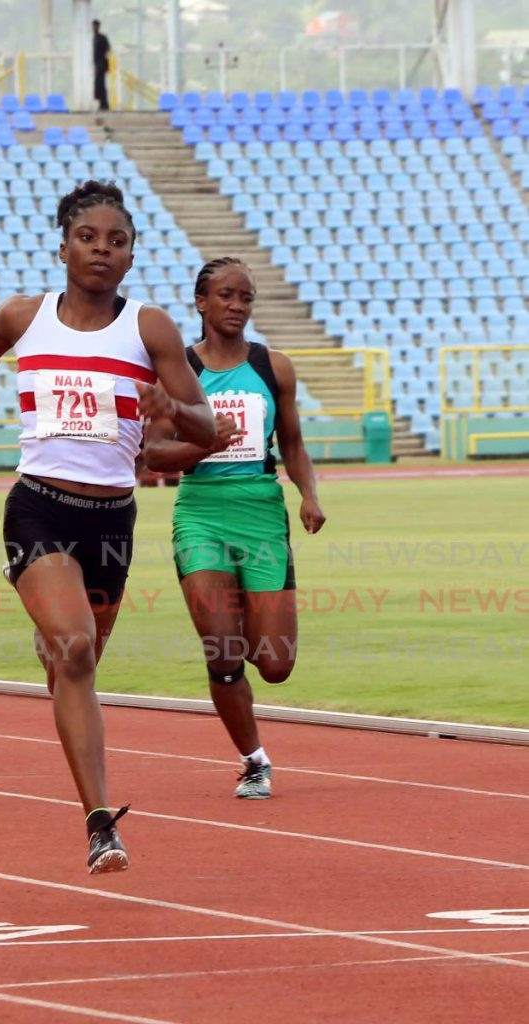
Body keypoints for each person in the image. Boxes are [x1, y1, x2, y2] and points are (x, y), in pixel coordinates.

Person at [0, 181, 218, 873]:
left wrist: (168, 408)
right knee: (77, 650)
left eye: (116, 241)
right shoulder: (24, 316)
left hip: (111, 517)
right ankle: (99, 824)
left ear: (131, 255)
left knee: (71, 667)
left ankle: (51, 630)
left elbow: (209, 429)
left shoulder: (149, 329)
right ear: (63, 246)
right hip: (38, 506)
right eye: (88, 237)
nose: (101, 250)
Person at [143, 257, 326, 800]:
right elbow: (152, 453)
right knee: (223, 653)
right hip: (201, 510)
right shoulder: (182, 373)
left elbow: (291, 443)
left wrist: (309, 494)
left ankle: (236, 619)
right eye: (225, 295)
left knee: (275, 664)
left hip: (262, 512)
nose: (237, 306)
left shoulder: (275, 367)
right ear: (201, 302)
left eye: (245, 297)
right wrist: (205, 444)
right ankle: (254, 762)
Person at [92, 20, 111, 112]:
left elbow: (108, 50)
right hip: (96, 64)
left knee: (101, 85)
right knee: (98, 85)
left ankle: (104, 104)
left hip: (101, 64)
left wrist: (106, 64)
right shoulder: (92, 38)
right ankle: (101, 103)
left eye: (96, 26)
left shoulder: (102, 38)